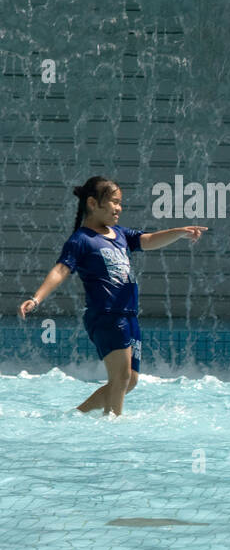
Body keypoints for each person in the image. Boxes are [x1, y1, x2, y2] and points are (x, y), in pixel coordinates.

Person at [17, 176, 208, 415]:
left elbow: (147, 240)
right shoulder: (81, 240)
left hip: (129, 316)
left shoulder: (119, 234)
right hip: (106, 315)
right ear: (93, 203)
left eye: (120, 202)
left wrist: (178, 233)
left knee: (131, 380)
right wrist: (36, 298)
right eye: (114, 202)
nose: (119, 208)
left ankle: (78, 415)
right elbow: (61, 269)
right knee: (121, 376)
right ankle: (114, 424)